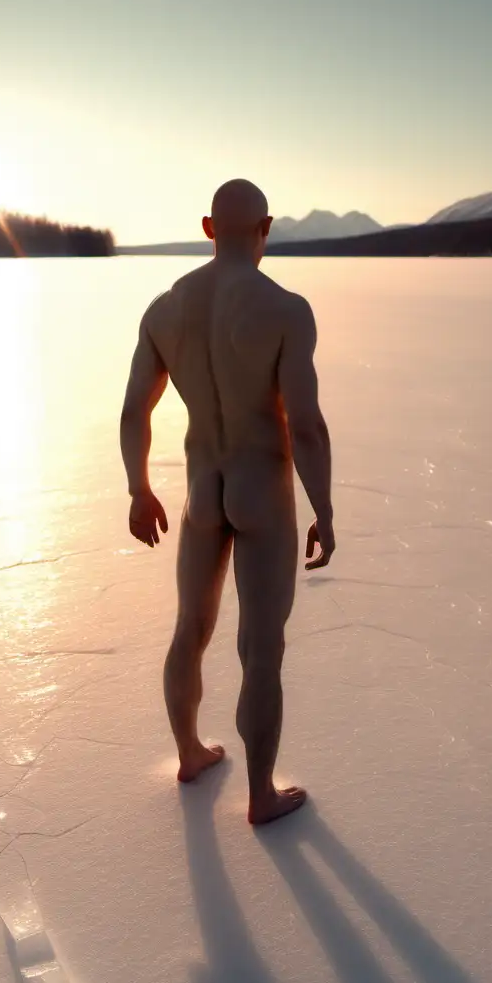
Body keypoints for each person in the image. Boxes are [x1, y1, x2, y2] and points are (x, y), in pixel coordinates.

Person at [119, 179, 335, 825]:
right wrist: (323, 507)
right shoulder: (286, 310)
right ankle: (261, 794)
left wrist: (137, 487)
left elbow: (135, 408)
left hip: (200, 491)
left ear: (210, 228)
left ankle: (189, 753)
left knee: (191, 628)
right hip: (261, 490)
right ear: (265, 227)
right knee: (261, 646)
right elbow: (306, 425)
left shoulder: (165, 308)